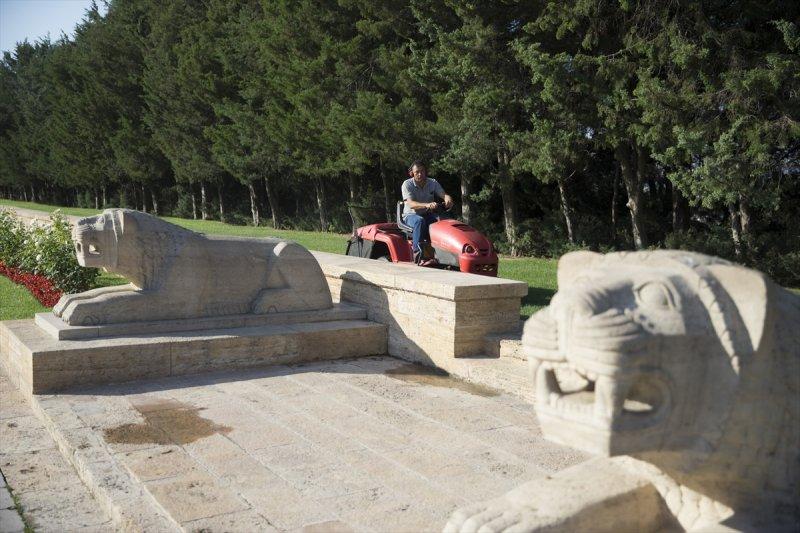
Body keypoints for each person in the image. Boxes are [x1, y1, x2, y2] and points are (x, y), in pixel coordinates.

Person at [401, 161, 454, 265]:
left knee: (442, 221)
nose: (420, 174)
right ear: (412, 173)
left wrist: (448, 199)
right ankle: (418, 254)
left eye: (422, 171)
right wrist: (427, 205)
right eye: (417, 172)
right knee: (419, 221)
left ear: (426, 172)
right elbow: (411, 204)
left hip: (427, 214)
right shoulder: (407, 184)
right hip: (410, 215)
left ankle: (444, 253)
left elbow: (444, 195)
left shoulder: (432, 182)